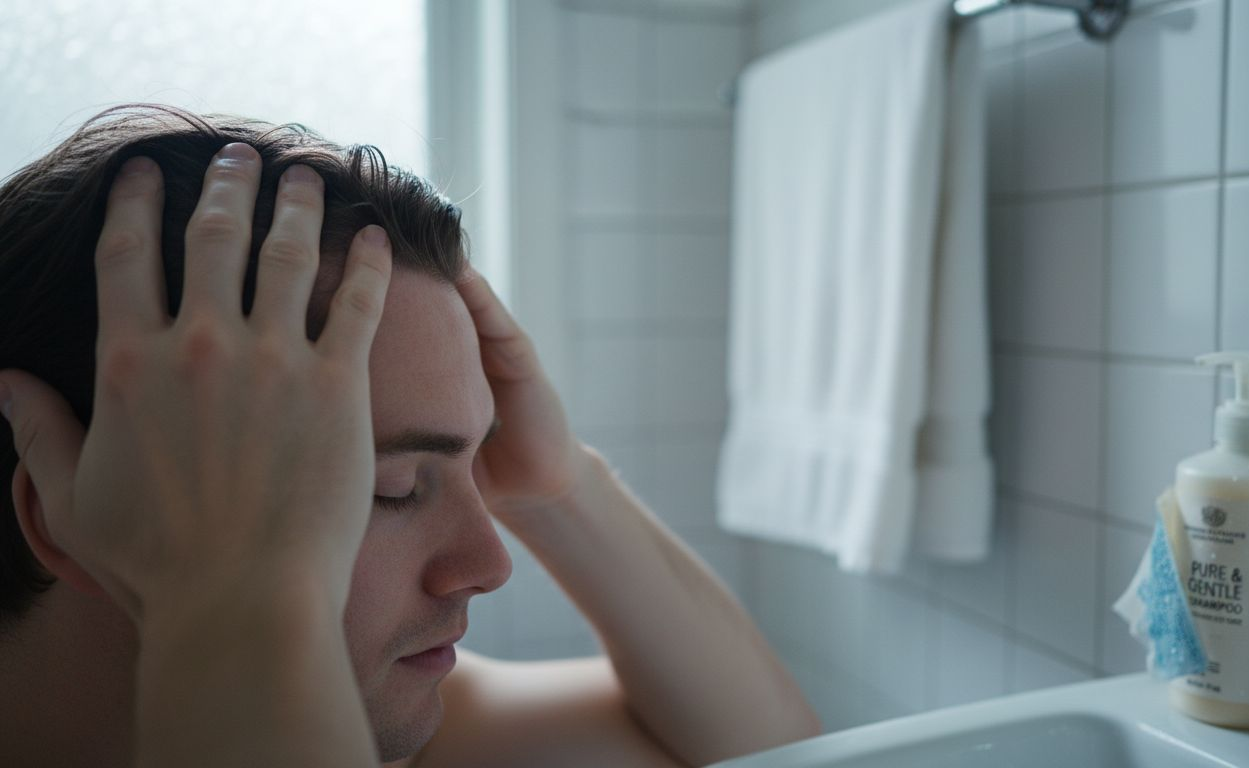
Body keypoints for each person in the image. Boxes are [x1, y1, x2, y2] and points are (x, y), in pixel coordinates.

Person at [0, 105, 821, 768]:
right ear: (66, 515)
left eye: (468, 462)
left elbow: (773, 756)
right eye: (386, 488)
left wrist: (559, 485)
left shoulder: (384, 725)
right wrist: (237, 603)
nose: (491, 564)